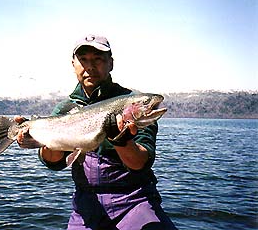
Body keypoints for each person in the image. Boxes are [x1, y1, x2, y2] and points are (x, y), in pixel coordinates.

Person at [16, 34, 177, 230]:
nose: (90, 66)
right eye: (83, 60)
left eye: (98, 59)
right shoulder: (65, 109)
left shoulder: (131, 102)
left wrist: (123, 142)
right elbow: (54, 162)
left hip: (135, 200)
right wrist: (39, 140)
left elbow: (141, 163)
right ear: (73, 64)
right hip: (87, 206)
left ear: (111, 63)